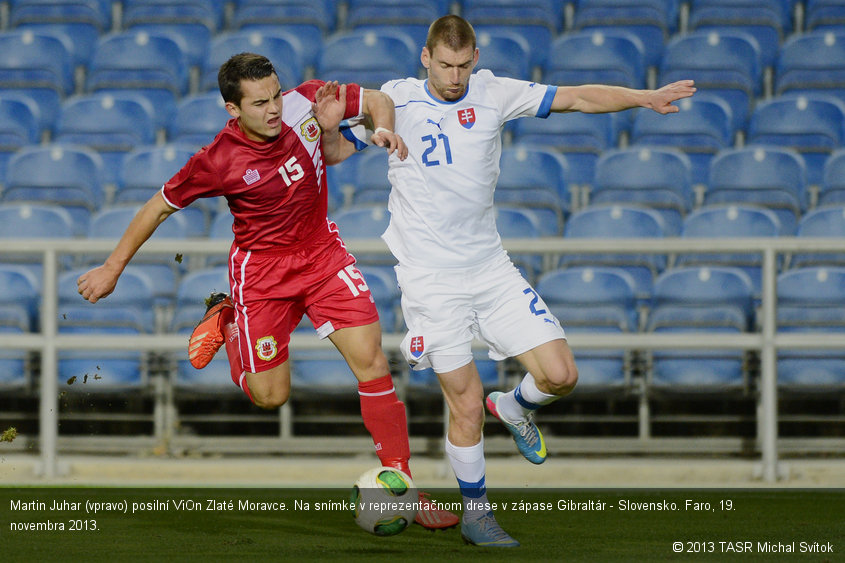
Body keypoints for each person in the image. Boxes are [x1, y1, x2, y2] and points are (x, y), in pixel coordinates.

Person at [340, 15, 696, 546]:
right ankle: (477, 514)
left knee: (561, 374)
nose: (455, 76)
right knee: (463, 401)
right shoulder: (396, 100)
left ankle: (515, 407)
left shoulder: (494, 93)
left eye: (463, 65)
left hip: (490, 268)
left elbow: (577, 97)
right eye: (445, 65)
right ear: (425, 58)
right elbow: (335, 142)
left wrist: (643, 98)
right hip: (431, 282)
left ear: (476, 58)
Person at [76, 52, 458, 530]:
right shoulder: (217, 160)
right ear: (232, 109)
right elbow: (158, 206)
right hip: (262, 276)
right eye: (259, 103)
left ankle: (404, 489)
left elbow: (379, 99)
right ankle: (230, 322)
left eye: (275, 94)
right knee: (271, 396)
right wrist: (113, 268)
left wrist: (379, 130)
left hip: (322, 256)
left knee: (373, 361)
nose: (274, 108)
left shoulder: (305, 102)